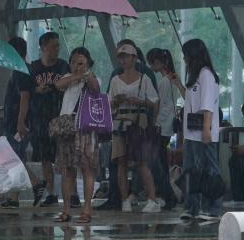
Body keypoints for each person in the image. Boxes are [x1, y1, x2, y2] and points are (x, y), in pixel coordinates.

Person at [96, 39, 159, 211]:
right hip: (119, 123)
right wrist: (116, 101)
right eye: (121, 57)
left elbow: (154, 101)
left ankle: (152, 199)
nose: (123, 60)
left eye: (126, 57)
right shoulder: (116, 80)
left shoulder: (144, 79)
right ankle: (124, 199)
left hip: (138, 123)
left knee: (141, 162)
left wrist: (139, 101)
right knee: (121, 162)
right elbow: (108, 103)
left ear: (134, 58)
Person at [53, 47, 101, 223]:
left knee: (87, 168)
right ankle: (66, 209)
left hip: (85, 128)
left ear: (88, 62)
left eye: (80, 62)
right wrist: (77, 75)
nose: (76, 65)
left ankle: (86, 209)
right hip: (66, 128)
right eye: (73, 62)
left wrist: (85, 75)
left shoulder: (93, 78)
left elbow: (96, 89)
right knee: (66, 169)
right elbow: (58, 85)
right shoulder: (68, 77)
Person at [181, 38, 223, 221]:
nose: (184, 60)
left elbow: (207, 105)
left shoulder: (206, 75)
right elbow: (191, 100)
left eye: (186, 56)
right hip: (191, 132)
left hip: (204, 131)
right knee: (191, 170)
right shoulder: (194, 76)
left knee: (209, 169)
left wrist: (206, 129)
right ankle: (192, 207)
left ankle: (213, 207)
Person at [29, 32, 69, 207]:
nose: (57, 49)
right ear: (44, 47)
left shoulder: (62, 66)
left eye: (58, 46)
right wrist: (37, 90)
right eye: (54, 46)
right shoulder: (34, 68)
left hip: (58, 115)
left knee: (63, 155)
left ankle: (70, 193)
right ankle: (51, 192)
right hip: (40, 117)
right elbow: (27, 91)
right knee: (46, 157)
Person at [0, 37, 37, 208]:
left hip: (17, 123)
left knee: (14, 159)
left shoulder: (22, 71)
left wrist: (21, 122)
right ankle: (14, 198)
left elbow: (25, 97)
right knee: (16, 158)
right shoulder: (20, 70)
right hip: (14, 122)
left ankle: (36, 184)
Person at [147, 48, 184, 209]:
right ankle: (168, 195)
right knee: (161, 160)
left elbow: (160, 105)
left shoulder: (163, 81)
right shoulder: (173, 79)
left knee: (158, 163)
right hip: (168, 125)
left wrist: (154, 123)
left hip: (161, 126)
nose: (151, 66)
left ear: (159, 62)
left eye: (152, 62)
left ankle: (167, 195)